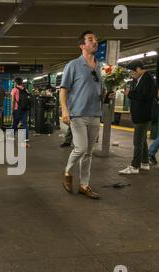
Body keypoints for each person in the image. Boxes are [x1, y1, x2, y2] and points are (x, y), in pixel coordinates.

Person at [60, 30, 114, 200]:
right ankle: (68, 171)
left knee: (89, 152)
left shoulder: (101, 67)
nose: (95, 42)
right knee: (81, 148)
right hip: (77, 114)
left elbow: (99, 92)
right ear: (82, 45)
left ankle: (84, 185)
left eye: (96, 39)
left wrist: (106, 96)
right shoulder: (73, 65)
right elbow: (63, 90)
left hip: (95, 114)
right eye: (91, 40)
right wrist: (64, 110)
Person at [119, 60, 156, 175]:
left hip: (143, 115)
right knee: (142, 140)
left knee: (137, 141)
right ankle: (144, 163)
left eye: (132, 71)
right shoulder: (138, 79)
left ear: (138, 69)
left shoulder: (148, 79)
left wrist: (129, 94)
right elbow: (137, 94)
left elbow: (144, 96)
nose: (131, 74)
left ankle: (134, 166)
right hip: (139, 114)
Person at [10, 77, 29, 142]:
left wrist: (12, 110)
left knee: (15, 123)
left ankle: (12, 137)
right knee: (24, 123)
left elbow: (13, 101)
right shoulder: (26, 90)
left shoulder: (14, 90)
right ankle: (26, 138)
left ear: (16, 83)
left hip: (17, 109)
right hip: (25, 109)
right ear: (21, 82)